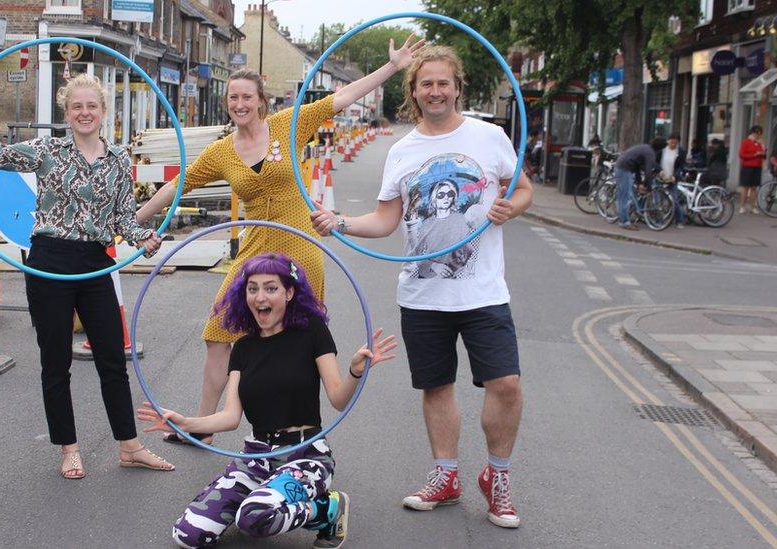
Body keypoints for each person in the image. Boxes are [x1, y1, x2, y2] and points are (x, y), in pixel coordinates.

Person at [135, 35, 424, 447]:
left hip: (299, 244)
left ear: (260, 101)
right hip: (256, 250)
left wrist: (392, 67)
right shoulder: (221, 152)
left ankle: (303, 430)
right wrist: (136, 219)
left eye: (246, 97)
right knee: (217, 331)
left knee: (299, 337)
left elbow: (342, 97)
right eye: (233, 98)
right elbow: (177, 185)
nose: (239, 104)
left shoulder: (288, 124)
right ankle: (203, 424)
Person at [311, 44, 532, 529]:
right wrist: (340, 221)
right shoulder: (403, 150)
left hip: (484, 292)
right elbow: (387, 220)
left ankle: (497, 479)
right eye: (425, 84)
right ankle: (446, 475)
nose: (435, 91)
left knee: (507, 385)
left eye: (443, 82)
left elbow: (523, 187)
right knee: (436, 387)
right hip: (424, 292)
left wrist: (511, 207)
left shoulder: (490, 136)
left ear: (457, 87)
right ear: (413, 92)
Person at [0, 74, 171, 479]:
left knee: (112, 360)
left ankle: (130, 445)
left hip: (94, 263)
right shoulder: (46, 150)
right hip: (50, 262)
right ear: (66, 113)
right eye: (76, 107)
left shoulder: (119, 159)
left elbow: (124, 217)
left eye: (92, 106)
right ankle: (68, 447)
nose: (84, 113)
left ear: (104, 112)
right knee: (56, 362)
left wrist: (144, 238)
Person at [137, 253, 396, 548]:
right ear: (244, 295)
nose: (260, 297)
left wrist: (354, 372)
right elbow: (231, 416)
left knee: (254, 518)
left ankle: (328, 509)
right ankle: (256, 496)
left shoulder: (312, 331)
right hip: (256, 456)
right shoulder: (244, 347)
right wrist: (185, 422)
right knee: (187, 535)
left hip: (305, 454)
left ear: (289, 293)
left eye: (271, 288)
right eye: (253, 288)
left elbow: (338, 398)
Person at [613, 137, 666, 231]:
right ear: (660, 148)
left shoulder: (646, 148)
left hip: (623, 166)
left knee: (623, 196)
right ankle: (624, 222)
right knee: (625, 197)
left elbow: (637, 166)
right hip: (624, 169)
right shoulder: (650, 153)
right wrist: (648, 187)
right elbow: (648, 171)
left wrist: (640, 183)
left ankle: (624, 220)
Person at [657, 132, 687, 228]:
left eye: (675, 143)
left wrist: (675, 176)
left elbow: (681, 166)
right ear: (668, 141)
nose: (673, 145)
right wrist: (659, 171)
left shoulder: (681, 151)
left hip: (672, 178)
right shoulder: (662, 150)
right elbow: (656, 162)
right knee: (659, 200)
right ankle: (660, 220)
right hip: (661, 177)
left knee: (674, 200)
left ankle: (680, 220)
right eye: (671, 142)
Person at [738, 125, 765, 214]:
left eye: (759, 134)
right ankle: (742, 206)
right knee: (745, 187)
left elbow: (764, 156)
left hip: (757, 167)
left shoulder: (760, 143)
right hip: (747, 166)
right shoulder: (746, 142)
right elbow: (741, 155)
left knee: (754, 188)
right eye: (756, 133)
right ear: (752, 133)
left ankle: (753, 207)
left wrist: (763, 149)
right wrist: (754, 155)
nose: (758, 135)